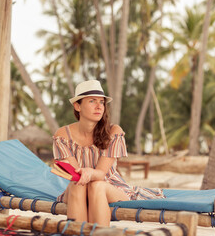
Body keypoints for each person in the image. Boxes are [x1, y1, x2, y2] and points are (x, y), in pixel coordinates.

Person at [52, 80, 165, 226]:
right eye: (92, 101)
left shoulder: (113, 131)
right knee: (77, 184)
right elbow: (76, 175)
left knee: (96, 185)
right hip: (78, 187)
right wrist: (79, 174)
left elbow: (100, 174)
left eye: (102, 102)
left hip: (110, 186)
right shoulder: (63, 135)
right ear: (77, 106)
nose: (99, 106)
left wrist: (89, 174)